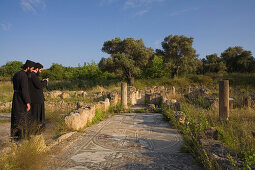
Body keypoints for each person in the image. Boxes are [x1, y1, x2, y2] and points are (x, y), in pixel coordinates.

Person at [11, 60, 35, 141]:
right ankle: (23, 137)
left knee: (16, 117)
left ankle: (15, 137)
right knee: (23, 117)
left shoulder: (16, 74)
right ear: (28, 67)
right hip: (21, 99)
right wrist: (28, 102)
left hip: (16, 97)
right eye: (31, 69)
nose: (32, 70)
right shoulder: (24, 75)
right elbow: (25, 90)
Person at [28, 62, 48, 132]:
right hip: (36, 99)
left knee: (37, 115)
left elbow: (37, 84)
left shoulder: (32, 75)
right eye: (40, 70)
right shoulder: (33, 75)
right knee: (37, 116)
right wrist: (45, 82)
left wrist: (41, 81)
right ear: (37, 69)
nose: (41, 71)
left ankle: (37, 129)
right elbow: (39, 86)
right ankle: (36, 130)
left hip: (36, 99)